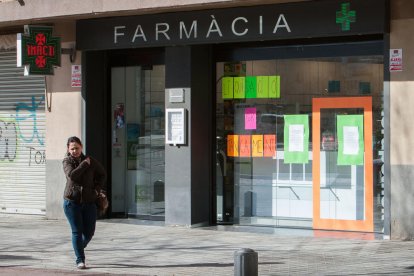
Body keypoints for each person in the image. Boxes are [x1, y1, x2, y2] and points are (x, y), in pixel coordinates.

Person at [62, 136, 107, 269]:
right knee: (77, 231)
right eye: (72, 149)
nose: (75, 151)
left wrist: (97, 190)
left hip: (89, 202)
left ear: (81, 147)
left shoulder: (91, 160)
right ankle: (80, 260)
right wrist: (84, 164)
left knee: (89, 232)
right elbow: (72, 175)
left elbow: (102, 174)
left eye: (77, 148)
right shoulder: (67, 161)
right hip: (72, 202)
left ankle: (79, 247)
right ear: (68, 149)